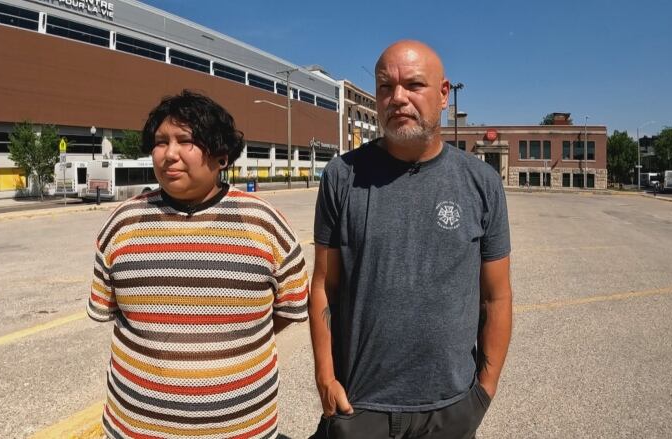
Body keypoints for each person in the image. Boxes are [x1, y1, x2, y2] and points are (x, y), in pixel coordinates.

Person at [309, 41, 513, 439]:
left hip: (450, 410)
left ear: (443, 94)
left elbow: (496, 296)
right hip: (359, 406)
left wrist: (483, 393)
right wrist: (325, 376)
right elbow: (323, 285)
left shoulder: (481, 182)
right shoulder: (342, 176)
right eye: (386, 87)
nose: (397, 98)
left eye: (414, 85)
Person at [87, 90, 309, 439]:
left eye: (185, 140)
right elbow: (110, 310)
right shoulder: (123, 223)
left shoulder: (265, 223)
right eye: (160, 142)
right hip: (135, 429)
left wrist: (228, 340)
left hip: (243, 430)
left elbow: (287, 309)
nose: (169, 154)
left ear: (221, 154)